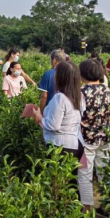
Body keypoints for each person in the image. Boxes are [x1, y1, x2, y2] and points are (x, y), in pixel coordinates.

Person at [34, 61, 85, 189]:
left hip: (61, 147)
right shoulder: (78, 95)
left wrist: (39, 117)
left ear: (61, 77)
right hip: (75, 143)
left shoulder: (60, 98)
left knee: (59, 186)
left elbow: (53, 125)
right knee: (71, 185)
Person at [77, 59, 110, 213]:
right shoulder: (107, 90)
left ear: (82, 74)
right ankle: (107, 206)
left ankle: (86, 208)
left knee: (85, 173)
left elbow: (77, 116)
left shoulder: (81, 92)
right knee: (104, 171)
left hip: (86, 139)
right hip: (105, 137)